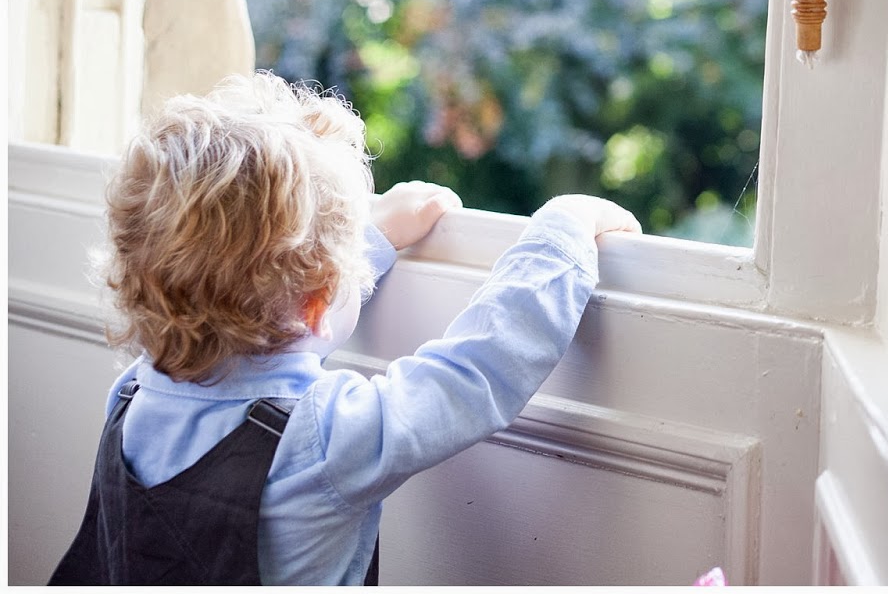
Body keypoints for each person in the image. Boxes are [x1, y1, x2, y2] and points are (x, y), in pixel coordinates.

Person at [49, 72, 640, 585]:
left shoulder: (133, 395)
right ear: (318, 299)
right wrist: (562, 227)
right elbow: (476, 371)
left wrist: (369, 241)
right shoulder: (325, 435)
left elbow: (264, 304)